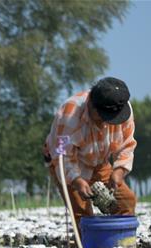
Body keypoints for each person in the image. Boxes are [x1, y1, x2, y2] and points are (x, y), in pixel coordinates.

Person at [44, 76, 137, 226]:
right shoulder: (69, 115)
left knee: (126, 202)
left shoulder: (122, 109)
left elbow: (127, 145)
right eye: (104, 117)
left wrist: (118, 171)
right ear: (92, 106)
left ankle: (119, 244)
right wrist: (77, 181)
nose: (107, 122)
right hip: (69, 163)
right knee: (82, 213)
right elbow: (62, 156)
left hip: (99, 161)